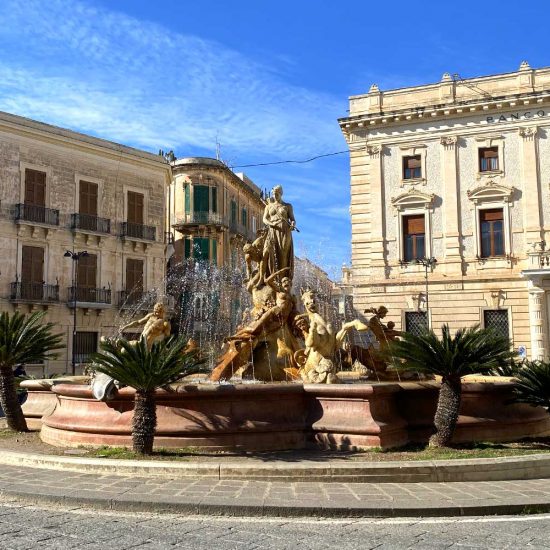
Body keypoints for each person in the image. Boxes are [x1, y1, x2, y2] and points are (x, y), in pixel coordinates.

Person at [262, 185, 296, 284]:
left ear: (281, 193)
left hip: (285, 231)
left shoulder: (287, 206)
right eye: (273, 193)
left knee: (283, 254)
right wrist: (271, 223)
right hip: (273, 231)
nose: (275, 195)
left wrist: (293, 224)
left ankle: (283, 280)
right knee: (271, 254)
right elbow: (264, 219)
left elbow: (293, 219)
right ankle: (273, 279)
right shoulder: (269, 206)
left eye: (277, 194)